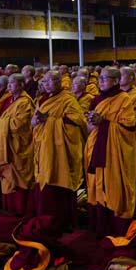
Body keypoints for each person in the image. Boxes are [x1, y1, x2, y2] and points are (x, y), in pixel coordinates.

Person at [32, 70, 86, 231]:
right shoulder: (43, 99)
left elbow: (78, 122)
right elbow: (35, 122)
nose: (47, 84)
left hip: (61, 153)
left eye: (51, 81)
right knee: (44, 183)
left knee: (58, 186)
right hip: (45, 148)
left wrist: (48, 120)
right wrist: (35, 121)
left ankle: (61, 222)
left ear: (60, 82)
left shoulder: (68, 100)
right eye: (45, 82)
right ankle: (44, 220)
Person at [84, 67, 136, 236]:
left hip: (114, 152)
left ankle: (116, 228)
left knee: (113, 186)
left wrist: (105, 122)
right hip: (96, 147)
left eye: (105, 78)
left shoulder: (124, 99)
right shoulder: (96, 100)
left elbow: (129, 127)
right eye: (100, 79)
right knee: (96, 185)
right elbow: (89, 128)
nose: (101, 82)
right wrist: (93, 122)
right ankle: (98, 228)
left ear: (116, 80)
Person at [0, 74, 35, 216]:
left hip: (18, 146)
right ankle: (9, 210)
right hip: (7, 145)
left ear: (21, 85)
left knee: (18, 179)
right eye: (9, 83)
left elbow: (20, 125)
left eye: (13, 83)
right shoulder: (10, 100)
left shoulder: (25, 102)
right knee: (7, 177)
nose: (9, 86)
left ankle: (21, 211)